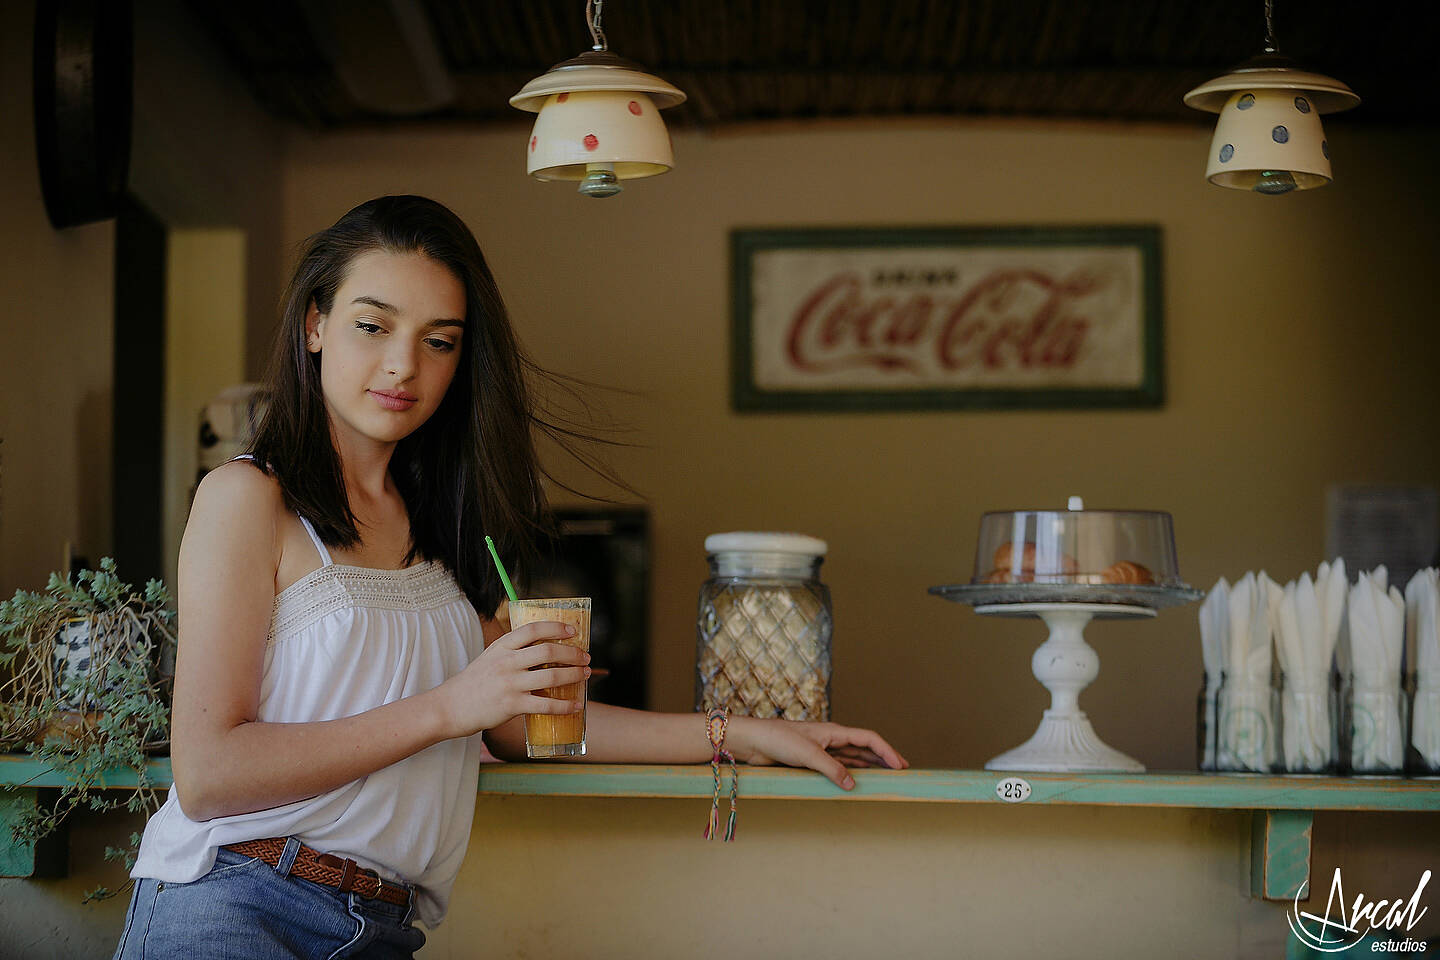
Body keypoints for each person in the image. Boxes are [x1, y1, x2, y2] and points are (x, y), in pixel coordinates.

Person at [113, 195, 907, 959]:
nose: (403, 365)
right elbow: (210, 773)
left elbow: (526, 724)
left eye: (440, 340)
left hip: (378, 928)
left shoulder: (438, 525)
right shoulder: (249, 498)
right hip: (236, 904)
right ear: (315, 325)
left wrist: (743, 733)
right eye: (371, 325)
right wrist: (451, 705)